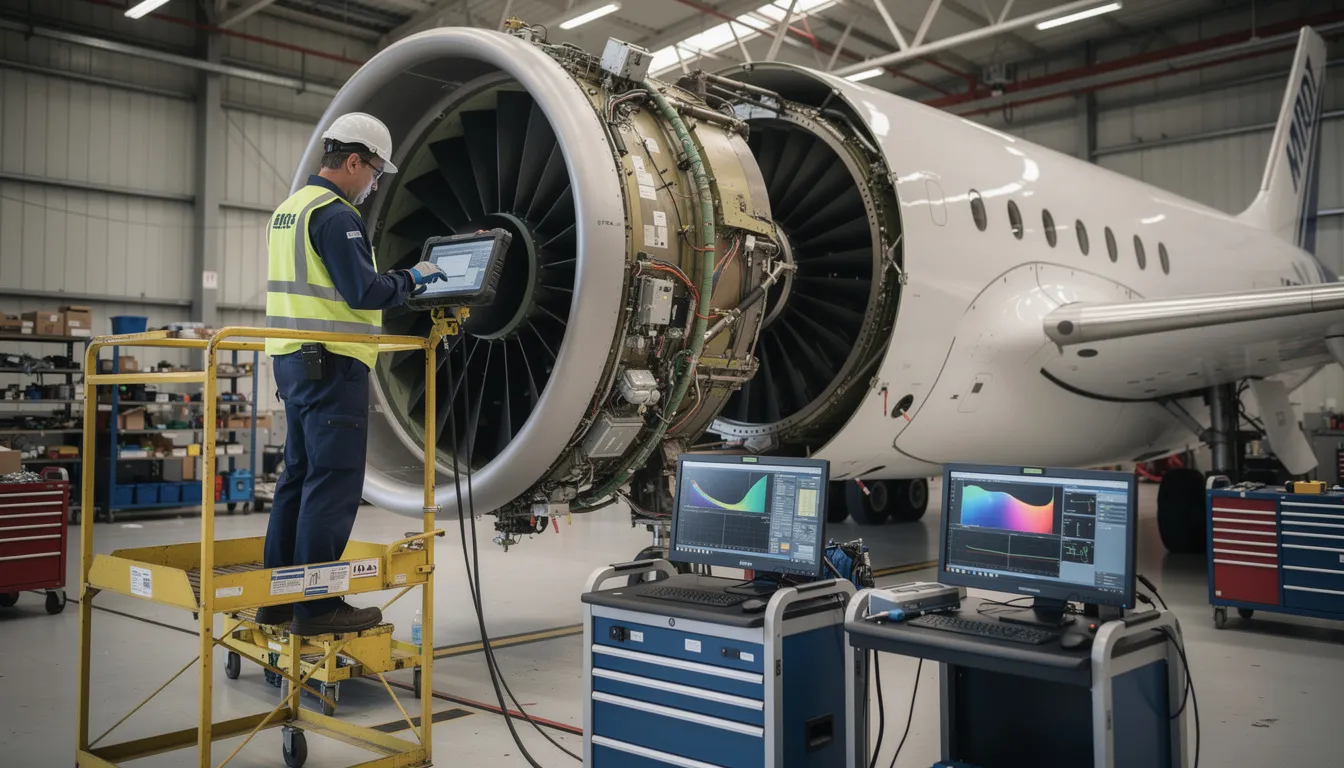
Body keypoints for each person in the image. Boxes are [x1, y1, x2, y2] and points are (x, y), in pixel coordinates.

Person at [256, 112, 446, 635]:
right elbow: (364, 292)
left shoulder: (289, 211)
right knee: (334, 483)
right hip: (333, 364)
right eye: (375, 173)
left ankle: (276, 599)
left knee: (296, 478)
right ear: (355, 161)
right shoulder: (336, 216)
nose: (374, 184)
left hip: (293, 362)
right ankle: (317, 608)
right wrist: (415, 277)